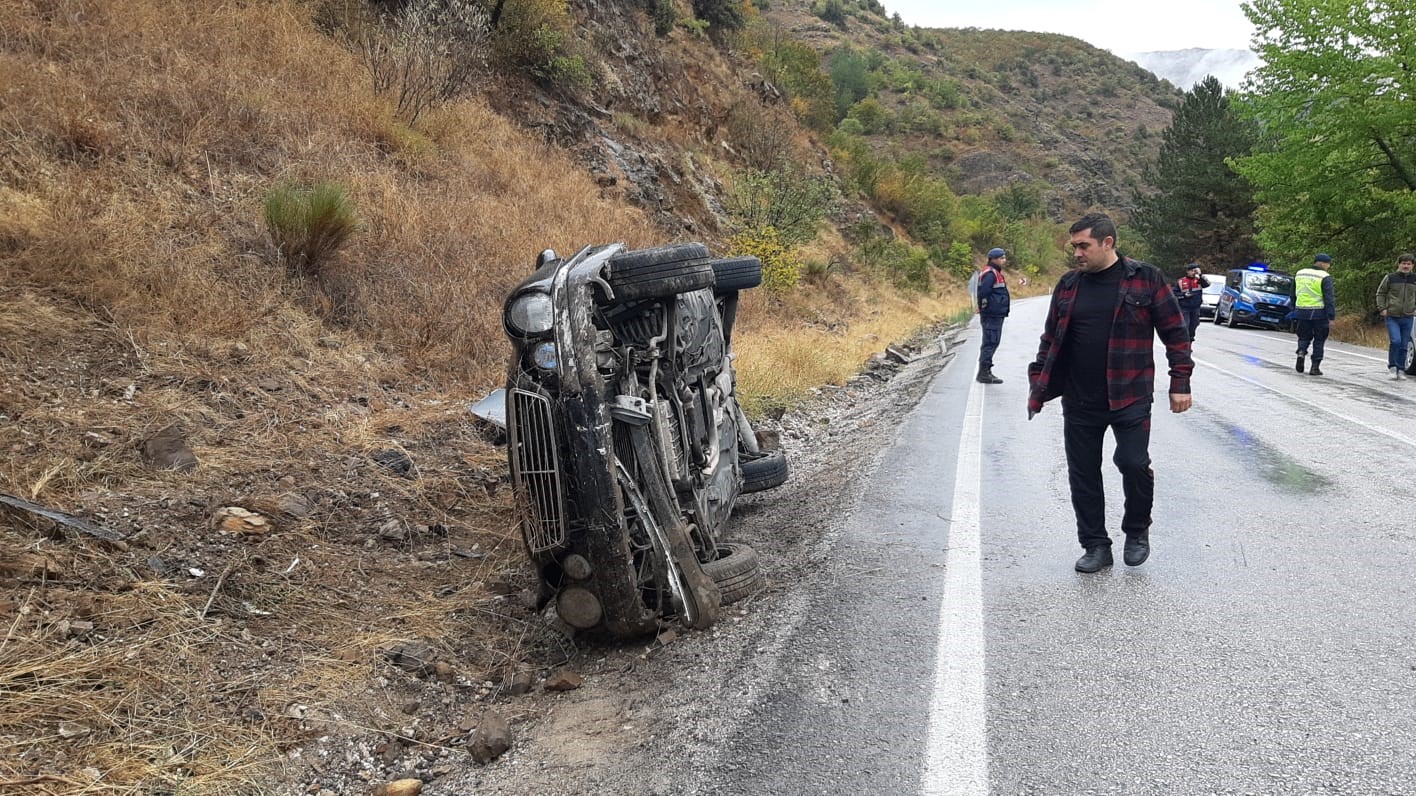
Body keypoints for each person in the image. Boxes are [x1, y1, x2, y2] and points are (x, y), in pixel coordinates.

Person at [1026, 213, 1193, 573]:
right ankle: (1095, 546)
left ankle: (1137, 529)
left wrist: (1180, 383)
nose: (1077, 254)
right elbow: (1051, 339)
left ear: (1108, 243)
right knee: (1083, 473)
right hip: (1080, 399)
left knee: (1132, 463)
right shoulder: (1069, 285)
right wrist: (1039, 381)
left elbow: (1176, 334)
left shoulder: (1145, 279)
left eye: (1083, 245)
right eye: (1074, 247)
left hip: (1130, 394)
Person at [1293, 254, 1336, 376]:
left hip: (1301, 311)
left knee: (1303, 336)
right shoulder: (1325, 277)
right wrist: (1331, 316)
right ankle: (1315, 367)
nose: (1329, 266)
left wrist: (1294, 308)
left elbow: (1293, 292)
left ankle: (1301, 352)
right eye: (1328, 264)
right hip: (1319, 313)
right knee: (1319, 339)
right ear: (1323, 263)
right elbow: (1329, 299)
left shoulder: (1300, 273)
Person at [1375, 253, 1416, 380]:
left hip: (1408, 316)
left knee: (1404, 344)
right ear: (1399, 264)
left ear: (1412, 265)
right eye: (1403, 263)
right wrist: (1382, 308)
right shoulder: (1390, 278)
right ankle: (1392, 367)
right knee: (1396, 341)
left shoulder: (1414, 279)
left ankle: (1401, 369)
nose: (1406, 266)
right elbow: (1380, 293)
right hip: (1392, 316)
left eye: (1408, 264)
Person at [976, 247, 1010, 384]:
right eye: (1001, 258)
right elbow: (983, 292)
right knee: (990, 342)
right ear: (993, 259)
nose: (1004, 260)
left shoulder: (994, 272)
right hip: (991, 314)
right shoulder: (990, 274)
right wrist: (984, 308)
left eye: (1004, 257)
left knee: (992, 342)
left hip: (995, 313)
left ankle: (985, 371)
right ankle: (984, 373)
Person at [1173, 263, 1209, 341]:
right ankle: (1185, 342)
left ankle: (1190, 339)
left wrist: (1200, 274)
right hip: (1184, 307)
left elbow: (1207, 284)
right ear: (1187, 271)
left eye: (1195, 271)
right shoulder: (1181, 281)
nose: (1193, 272)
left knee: (1194, 324)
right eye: (1192, 271)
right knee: (1185, 325)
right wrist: (1184, 295)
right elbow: (1174, 293)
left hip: (1195, 307)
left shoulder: (1199, 280)